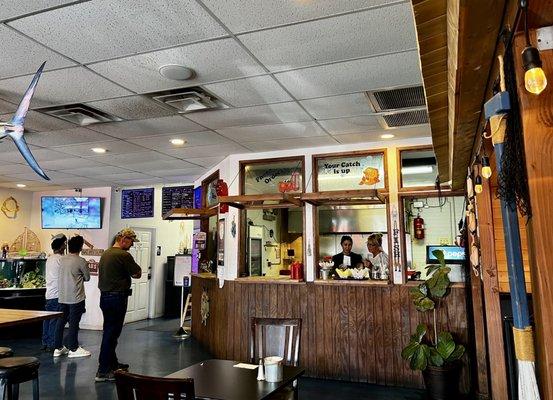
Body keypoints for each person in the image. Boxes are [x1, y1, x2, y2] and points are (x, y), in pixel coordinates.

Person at [95, 228, 142, 382]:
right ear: (123, 239)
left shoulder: (106, 254)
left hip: (105, 297)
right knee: (111, 334)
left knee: (109, 331)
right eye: (130, 242)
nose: (131, 245)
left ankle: (113, 364)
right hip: (117, 298)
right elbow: (137, 273)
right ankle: (103, 371)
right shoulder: (123, 255)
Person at [54, 235, 91, 358]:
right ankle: (73, 348)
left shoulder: (62, 259)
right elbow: (87, 277)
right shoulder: (81, 261)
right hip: (76, 297)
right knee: (74, 323)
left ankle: (58, 348)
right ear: (80, 247)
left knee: (61, 322)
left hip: (62, 296)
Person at [42, 234, 66, 351]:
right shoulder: (61, 259)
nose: (65, 247)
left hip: (49, 294)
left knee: (47, 319)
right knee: (54, 320)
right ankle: (52, 344)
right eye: (64, 245)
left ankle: (45, 342)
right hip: (57, 294)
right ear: (61, 247)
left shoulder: (49, 258)